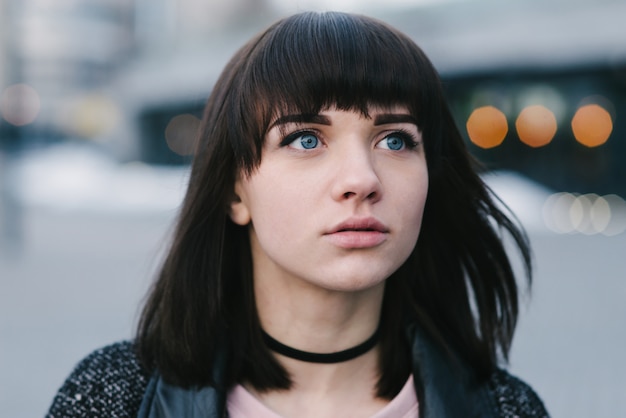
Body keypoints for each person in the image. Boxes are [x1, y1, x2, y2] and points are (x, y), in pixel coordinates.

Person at [46, 11, 549, 418]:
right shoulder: (114, 399)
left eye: (395, 140)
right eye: (305, 139)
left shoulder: (507, 409)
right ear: (234, 192)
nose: (362, 179)